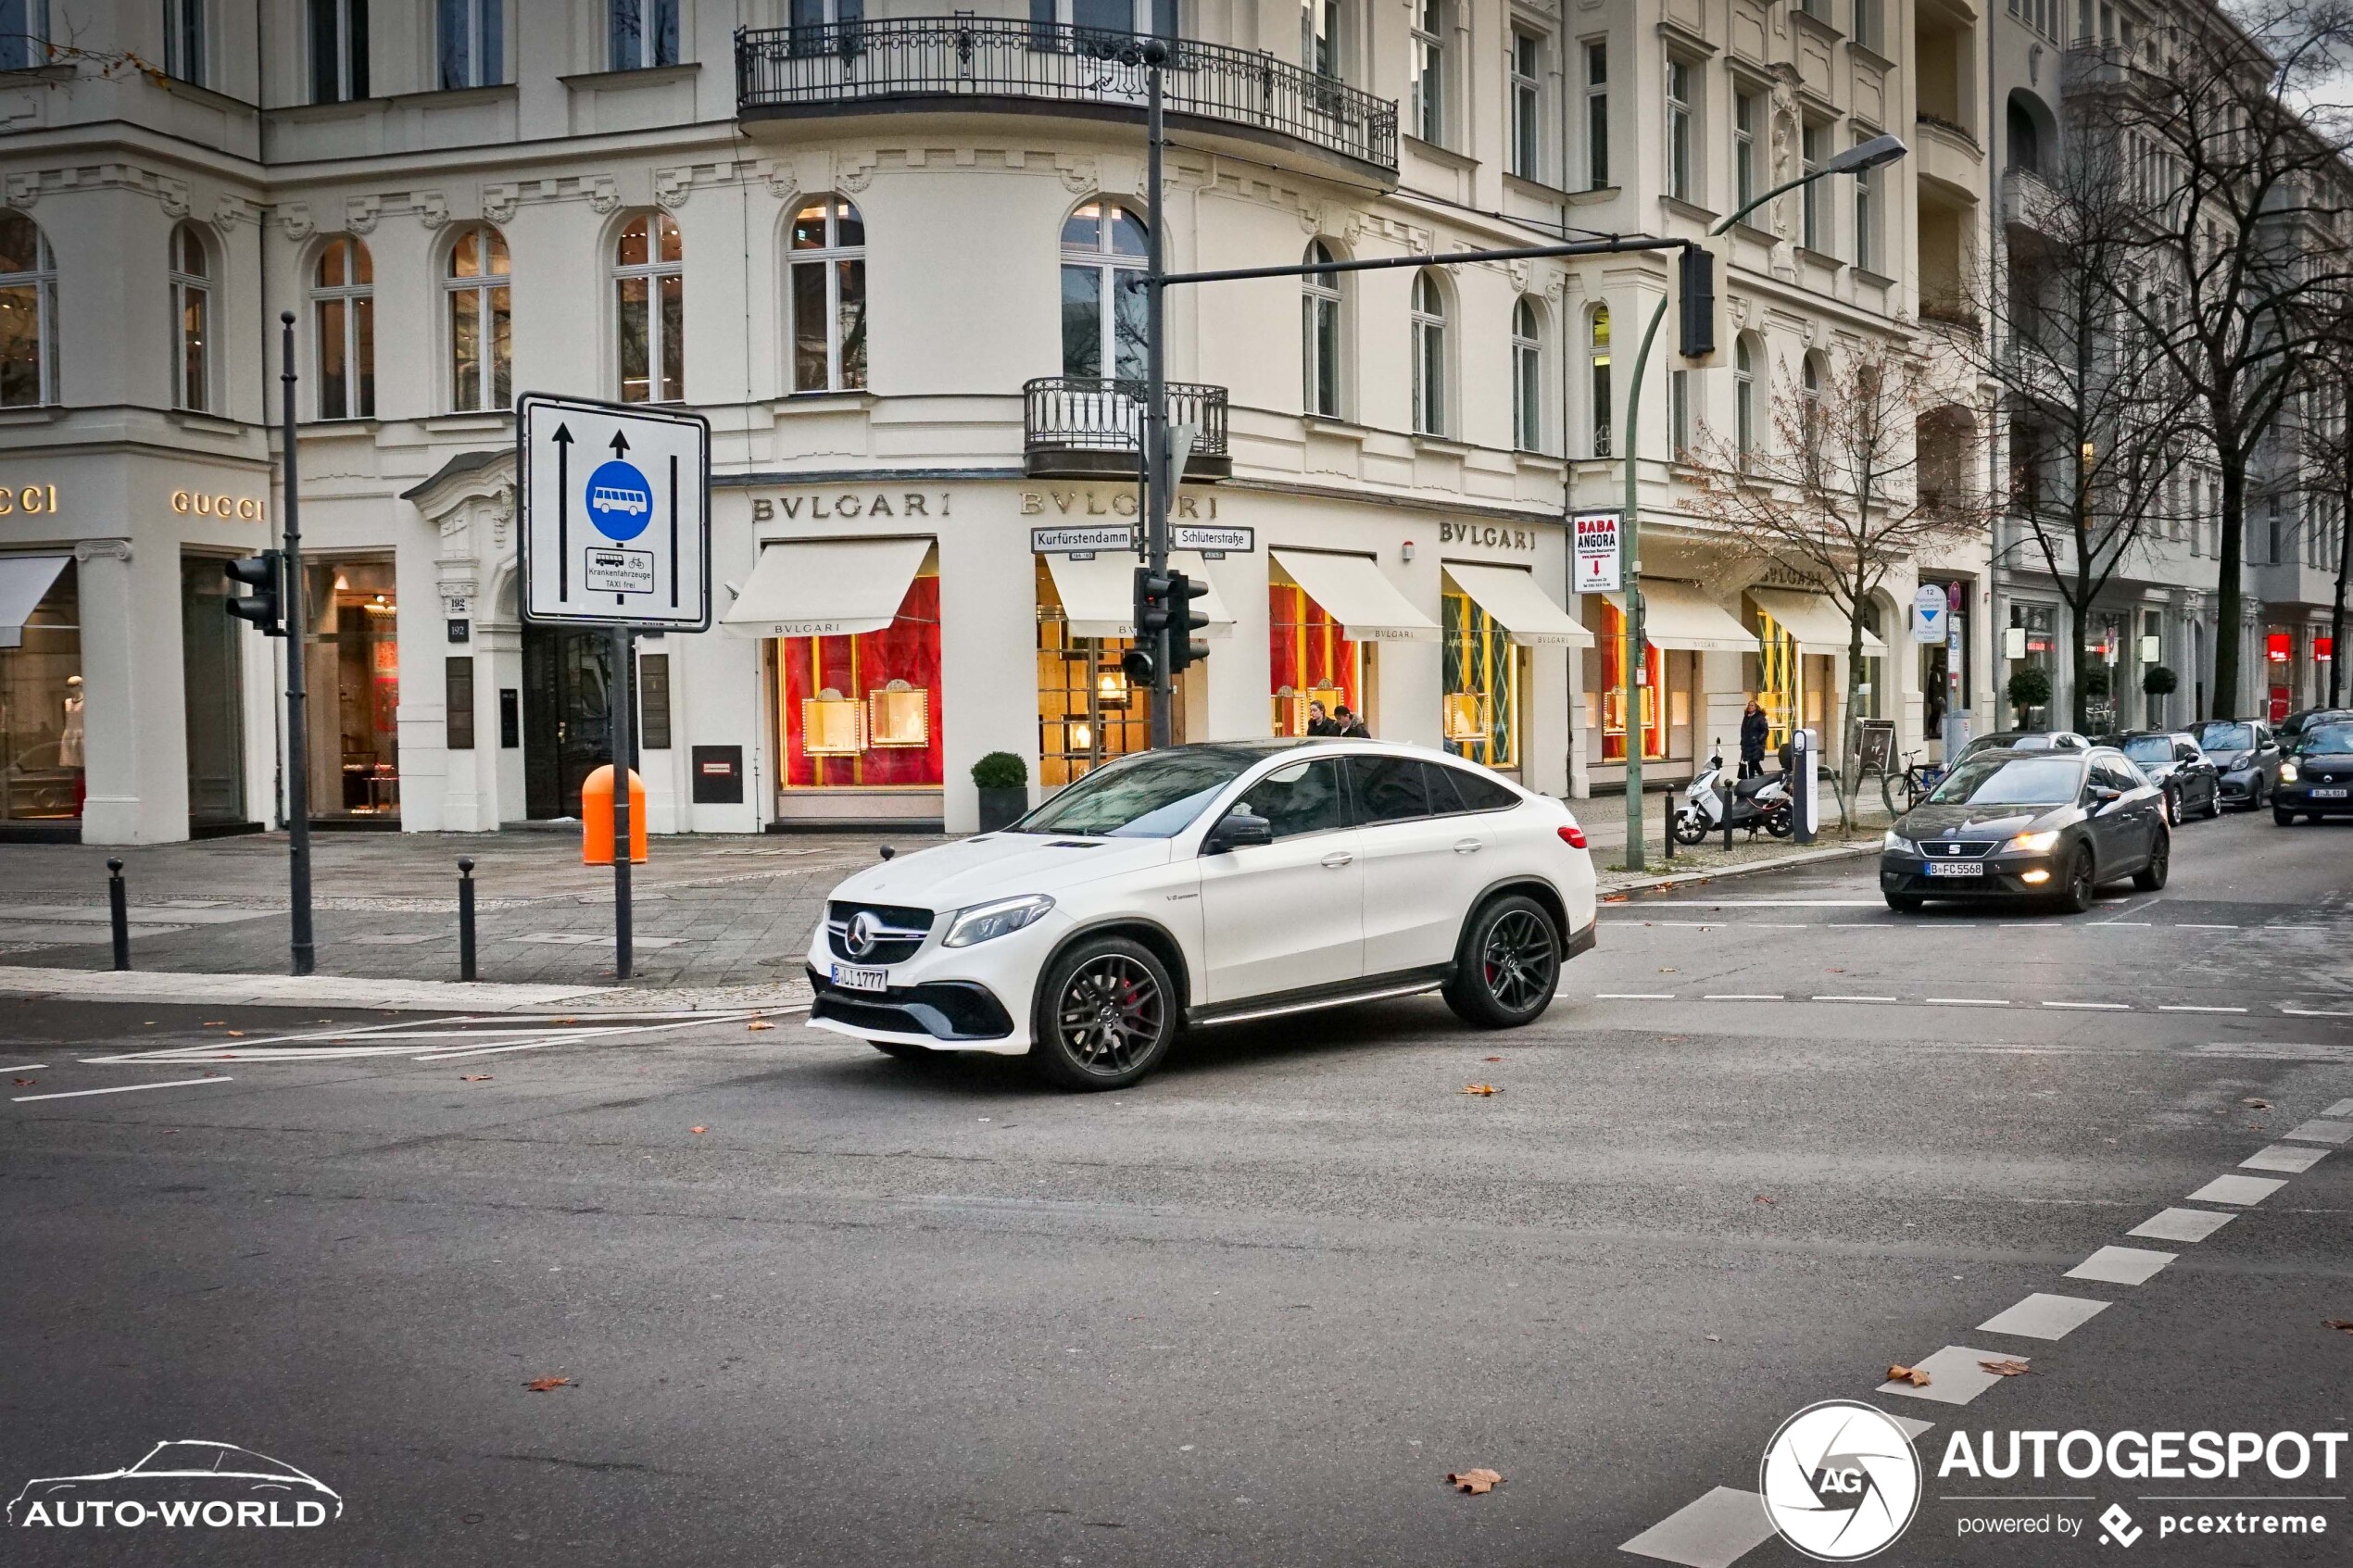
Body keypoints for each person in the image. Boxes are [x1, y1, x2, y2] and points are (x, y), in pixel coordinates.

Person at [1739, 696, 1769, 779]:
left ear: (1756, 707)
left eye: (1752, 705)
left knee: (1754, 763)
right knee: (1750, 764)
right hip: (1747, 745)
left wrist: (1759, 740)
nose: (1750, 707)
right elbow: (1743, 730)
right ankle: (1753, 779)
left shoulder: (1760, 718)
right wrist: (1743, 742)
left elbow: (1765, 731)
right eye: (1749, 705)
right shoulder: (1746, 718)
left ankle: (1762, 778)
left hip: (1756, 746)